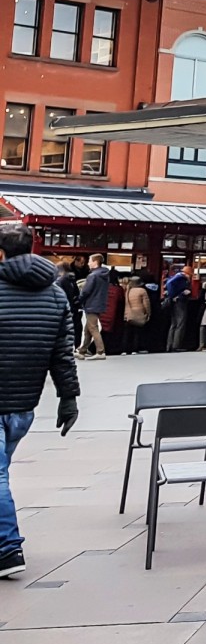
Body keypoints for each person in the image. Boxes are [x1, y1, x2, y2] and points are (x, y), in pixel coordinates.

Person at [0, 222, 81, 579]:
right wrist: (68, 398)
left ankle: (7, 549)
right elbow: (63, 354)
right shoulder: (54, 295)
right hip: (23, 406)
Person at [77, 253, 111, 360]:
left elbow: (86, 291)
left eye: (90, 261)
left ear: (95, 262)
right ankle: (82, 351)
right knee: (88, 328)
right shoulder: (104, 275)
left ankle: (100, 351)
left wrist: (79, 299)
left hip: (91, 303)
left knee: (93, 328)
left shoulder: (92, 276)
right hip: (99, 303)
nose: (88, 263)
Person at [162, 264, 193, 353]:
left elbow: (168, 284)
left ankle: (169, 345)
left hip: (174, 302)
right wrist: (177, 295)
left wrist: (171, 296)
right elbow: (170, 284)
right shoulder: (181, 278)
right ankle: (176, 345)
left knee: (174, 324)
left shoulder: (175, 276)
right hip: (180, 302)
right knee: (180, 324)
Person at [121, 277, 152, 354]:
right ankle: (135, 349)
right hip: (139, 313)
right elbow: (146, 304)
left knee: (127, 333)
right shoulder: (142, 291)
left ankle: (125, 349)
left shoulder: (128, 290)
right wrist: (148, 313)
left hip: (128, 314)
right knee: (137, 332)